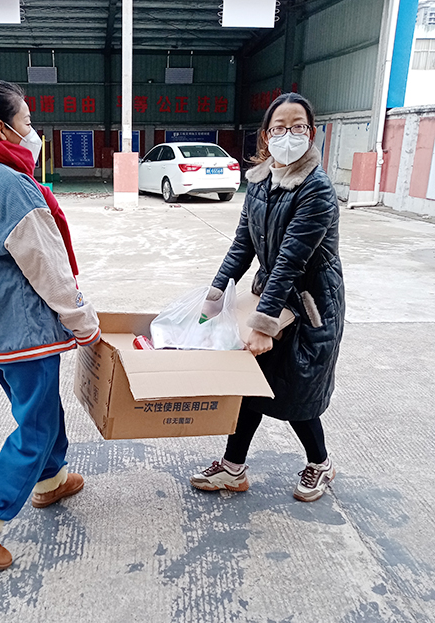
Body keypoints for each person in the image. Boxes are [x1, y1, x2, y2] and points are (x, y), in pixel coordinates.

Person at [0, 79, 100, 570]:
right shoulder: (12, 187)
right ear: (4, 130)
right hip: (23, 334)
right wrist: (83, 322)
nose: (34, 131)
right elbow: (49, 269)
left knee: (42, 413)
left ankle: (51, 480)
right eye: (27, 122)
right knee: (36, 427)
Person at [191, 92, 344, 503]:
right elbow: (242, 245)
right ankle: (233, 467)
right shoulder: (259, 182)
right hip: (271, 297)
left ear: (311, 133)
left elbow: (292, 260)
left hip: (310, 305)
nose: (288, 134)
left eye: (298, 127)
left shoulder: (317, 189)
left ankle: (320, 463)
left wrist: (262, 326)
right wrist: (214, 296)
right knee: (251, 383)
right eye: (279, 127)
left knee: (296, 391)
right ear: (266, 135)